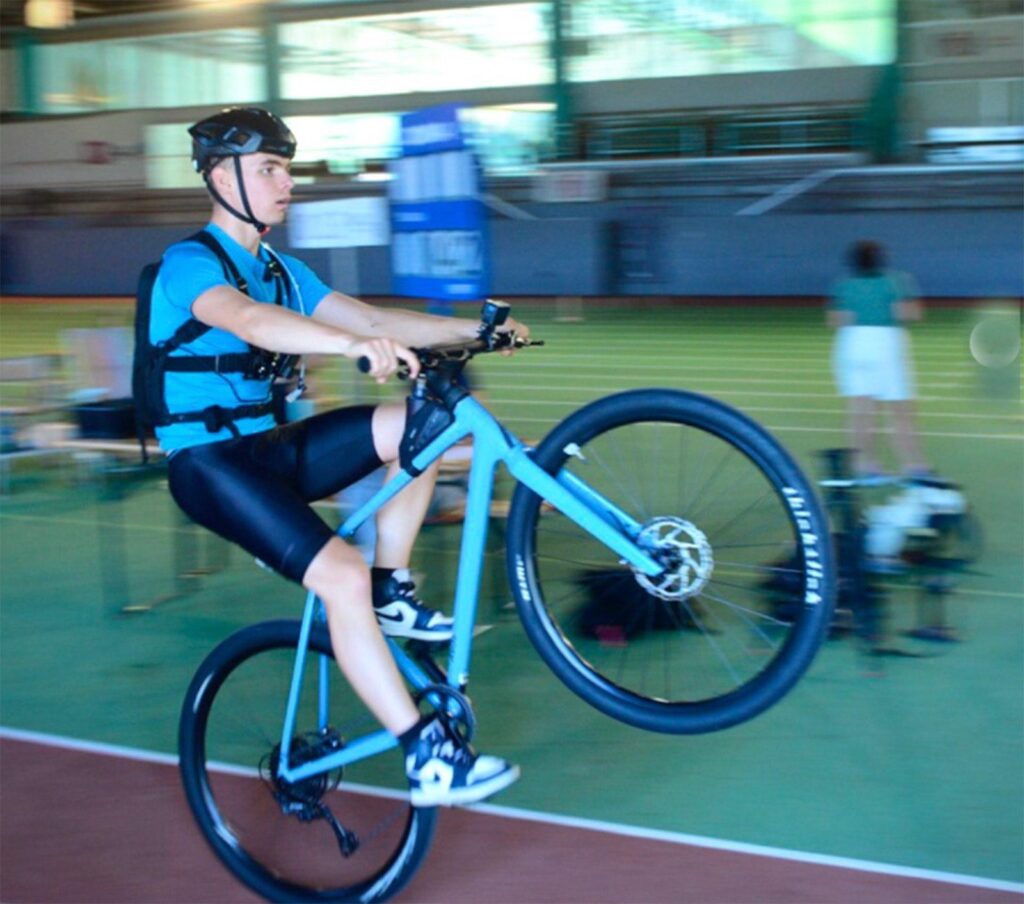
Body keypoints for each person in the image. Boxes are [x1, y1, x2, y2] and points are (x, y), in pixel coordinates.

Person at [151, 106, 526, 806]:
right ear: (221, 177)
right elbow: (249, 320)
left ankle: (392, 586)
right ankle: (427, 758)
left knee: (427, 421)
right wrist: (349, 346)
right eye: (269, 169)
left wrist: (474, 332)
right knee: (339, 576)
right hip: (209, 465)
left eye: (286, 169)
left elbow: (375, 319)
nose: (286, 183)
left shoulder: (283, 271)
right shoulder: (190, 264)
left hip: (270, 450)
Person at [826, 239, 930, 482]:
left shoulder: (843, 284)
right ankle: (915, 466)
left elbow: (834, 320)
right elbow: (911, 313)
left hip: (850, 345)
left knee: (860, 410)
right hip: (885, 345)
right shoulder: (895, 281)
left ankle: (864, 466)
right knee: (900, 410)